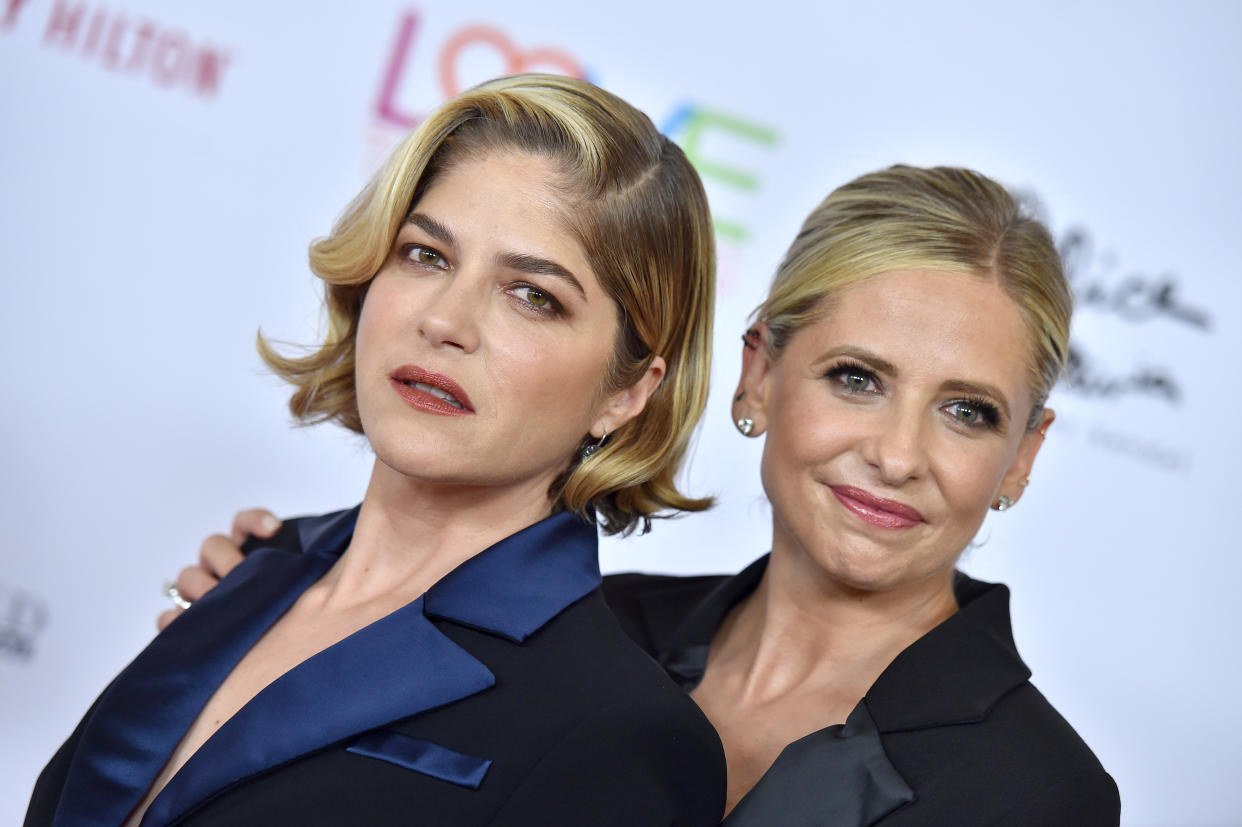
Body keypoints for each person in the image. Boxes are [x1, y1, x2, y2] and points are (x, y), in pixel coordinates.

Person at [162, 164, 1122, 824]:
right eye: (857, 378)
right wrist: (281, 600)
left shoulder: (1039, 790)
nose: (899, 455)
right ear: (759, 374)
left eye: (967, 412)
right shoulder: (580, 629)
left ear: (1024, 455)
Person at [26, 74, 727, 826]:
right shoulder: (255, 568)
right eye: (426, 255)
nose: (445, 320)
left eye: (533, 295)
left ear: (627, 391)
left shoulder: (624, 734)